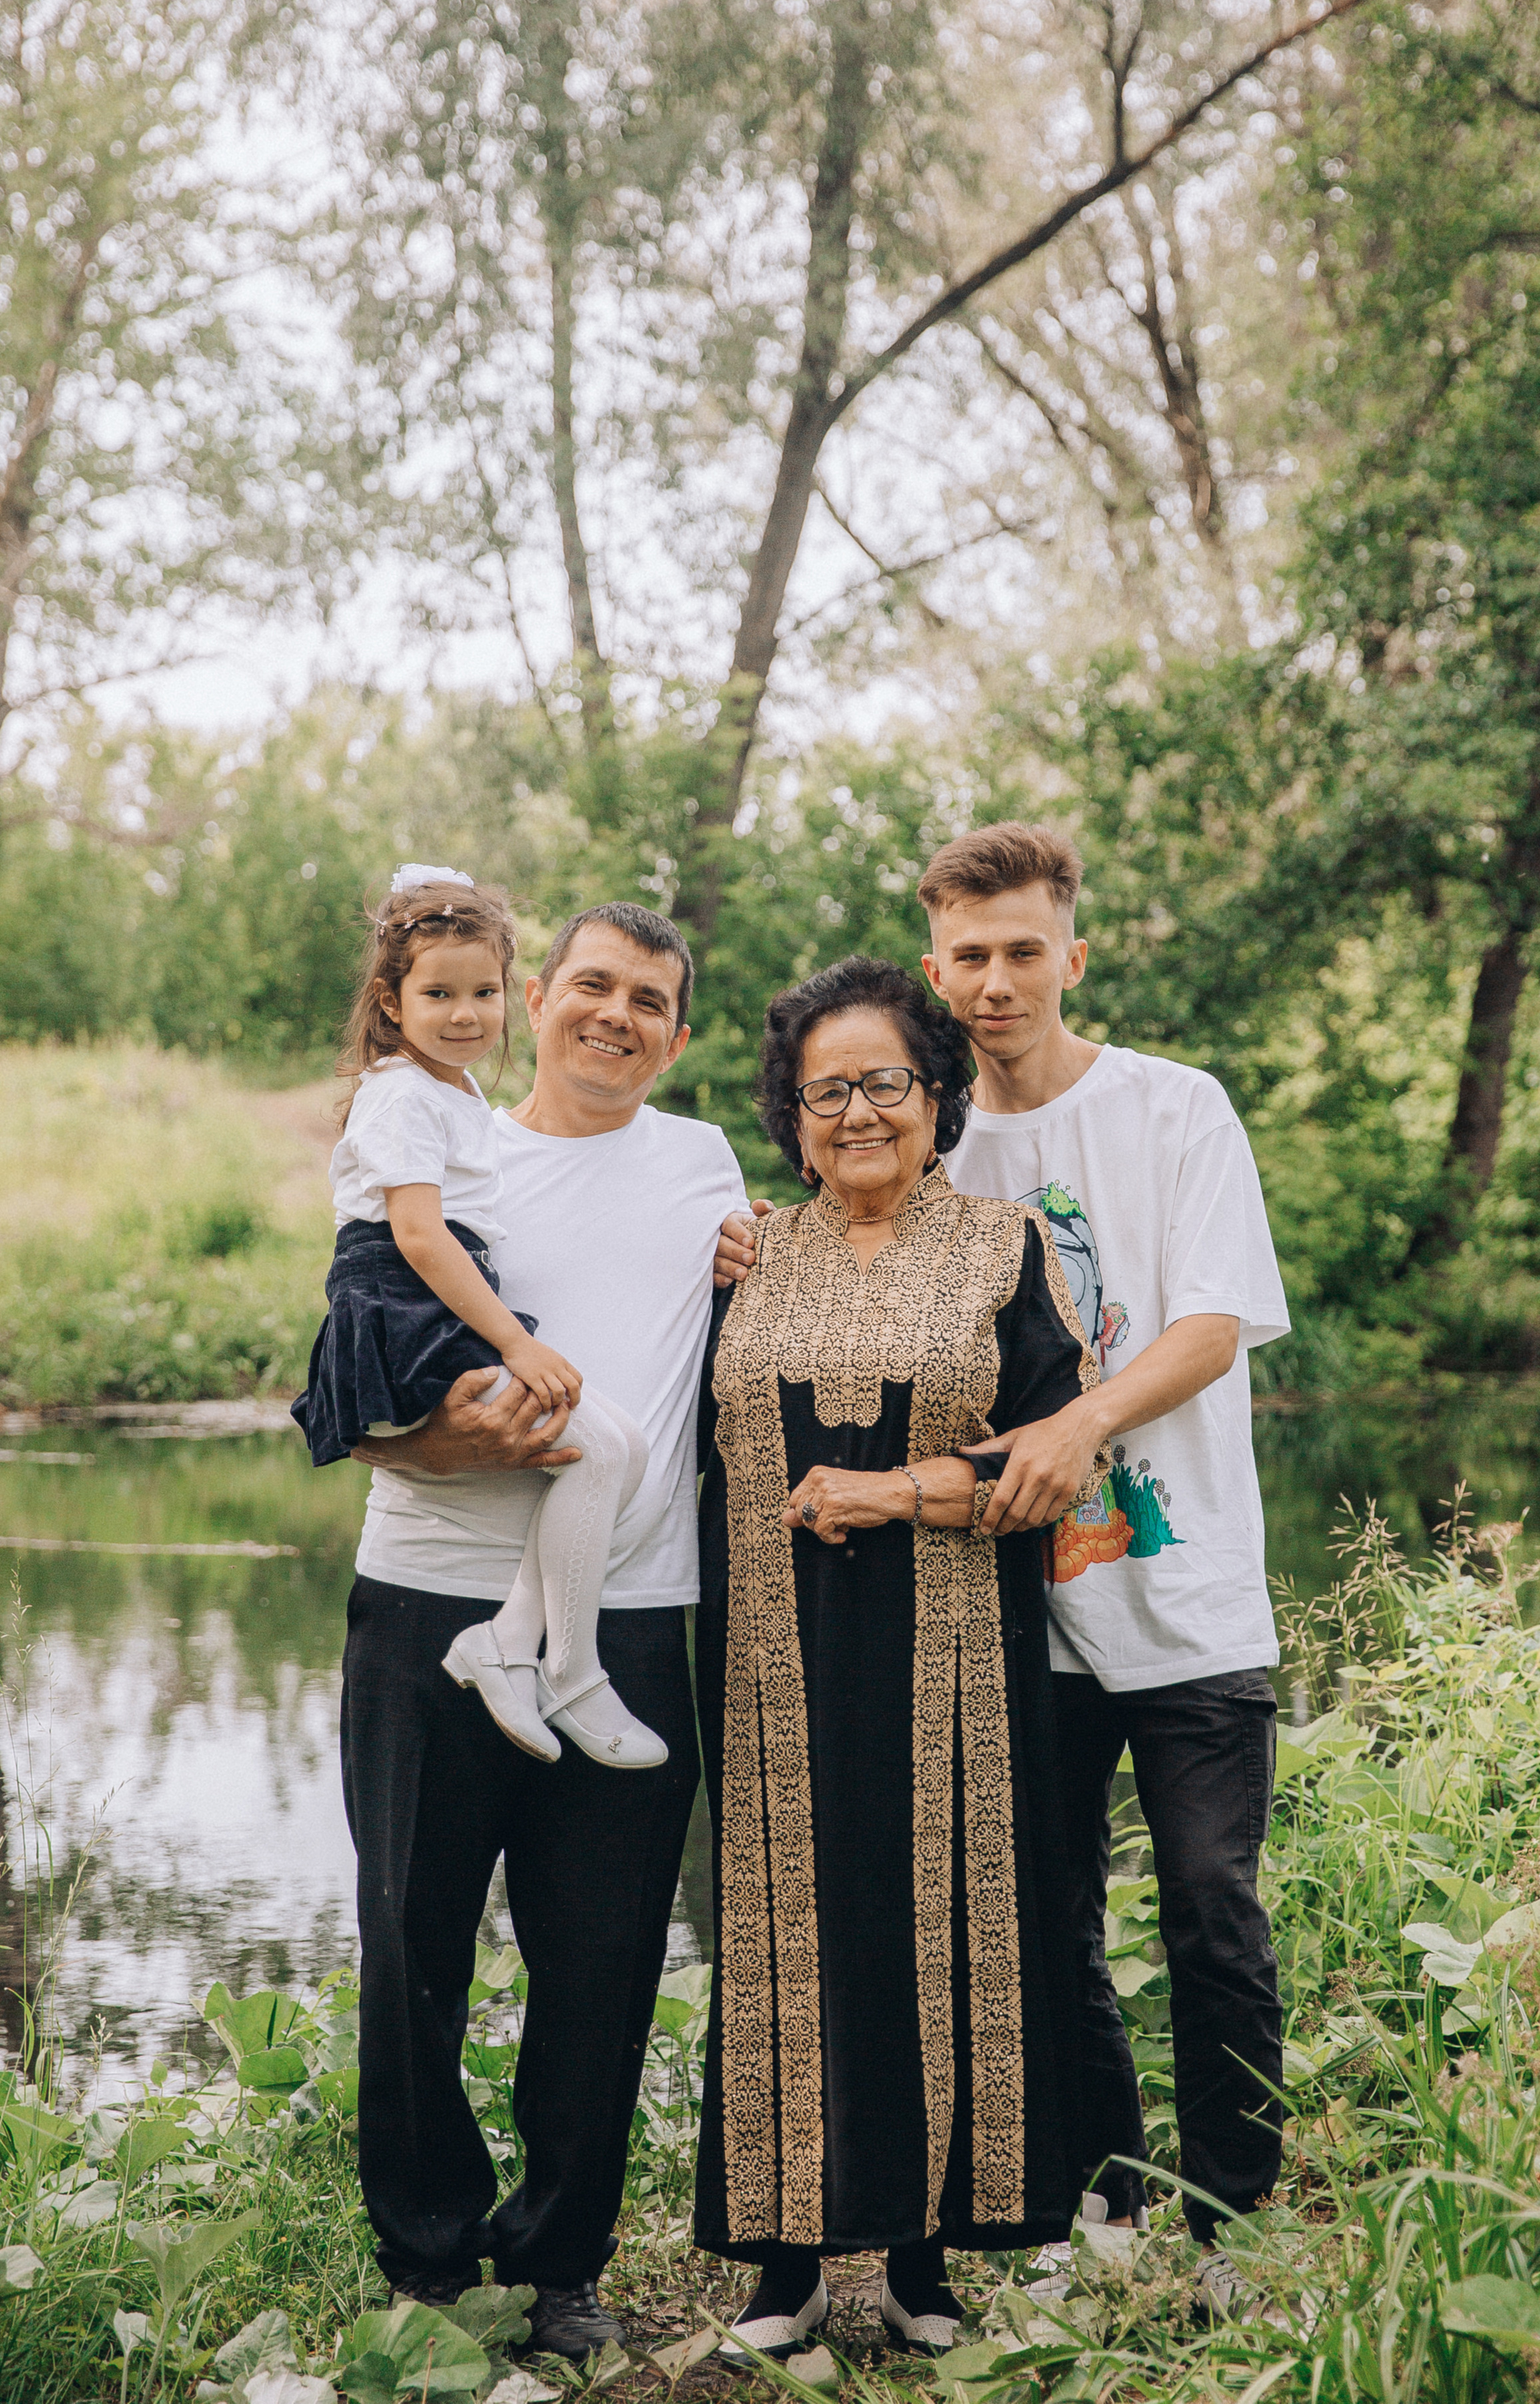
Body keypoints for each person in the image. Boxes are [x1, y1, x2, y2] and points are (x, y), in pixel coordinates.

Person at [716, 826, 1292, 2327]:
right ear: (935, 970)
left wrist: (1078, 1425)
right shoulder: (930, 1135)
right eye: (967, 956)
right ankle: (1103, 2201)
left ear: (1069, 955)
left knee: (1211, 1905)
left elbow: (1214, 1321)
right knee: (1043, 1923)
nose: (994, 981)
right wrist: (749, 1256)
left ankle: (1236, 2221)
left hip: (1182, 1588)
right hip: (1007, 1614)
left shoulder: (1173, 1107)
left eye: (1022, 950)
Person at [339, 900, 746, 2357]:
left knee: (605, 1962)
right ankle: (428, 2262)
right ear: (533, 998)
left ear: (675, 1039)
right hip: (427, 1600)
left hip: (628, 1623)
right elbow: (345, 1384)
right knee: (413, 1946)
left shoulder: (705, 1166)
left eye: (648, 1001)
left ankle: (559, 2264)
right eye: (592, 985)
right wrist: (429, 1440)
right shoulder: (441, 1147)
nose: (614, 1016)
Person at [696, 957, 1107, 2366]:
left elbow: (1056, 1460)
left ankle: (924, 2262)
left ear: (936, 1098)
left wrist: (898, 1495)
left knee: (937, 1926)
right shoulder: (750, 1257)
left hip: (956, 1661)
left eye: (885, 1083)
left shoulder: (1004, 1248)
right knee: (784, 1935)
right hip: (769, 1658)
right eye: (827, 1092)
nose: (858, 1112)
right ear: (792, 1117)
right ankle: (787, 2266)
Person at [294, 864, 664, 1771]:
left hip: (431, 1301)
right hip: (406, 1307)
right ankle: (566, 1668)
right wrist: (515, 1342)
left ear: (510, 995)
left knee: (622, 1447)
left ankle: (509, 1642)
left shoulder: (453, 1091)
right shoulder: (400, 1093)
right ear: (391, 1001)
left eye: (482, 993)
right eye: (438, 995)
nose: (465, 1015)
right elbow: (420, 1236)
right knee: (603, 1450)